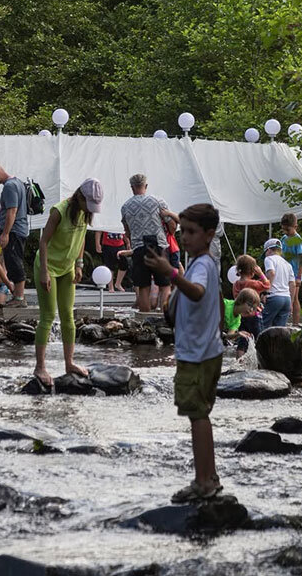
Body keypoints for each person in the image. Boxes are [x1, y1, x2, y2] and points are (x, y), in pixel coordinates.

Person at [146, 203, 224, 500]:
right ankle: (210, 476)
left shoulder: (202, 265)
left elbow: (198, 292)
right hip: (204, 349)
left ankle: (204, 481)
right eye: (183, 232)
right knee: (199, 415)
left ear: (208, 234)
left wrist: (171, 275)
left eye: (191, 232)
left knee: (198, 416)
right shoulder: (202, 262)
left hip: (198, 354)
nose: (186, 238)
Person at [34, 178, 104, 388]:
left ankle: (69, 363)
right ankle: (40, 367)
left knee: (68, 316)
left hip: (68, 267)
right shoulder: (60, 211)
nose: (89, 208)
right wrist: (44, 272)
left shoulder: (85, 212)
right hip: (49, 267)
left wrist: (80, 264)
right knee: (47, 316)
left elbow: (81, 238)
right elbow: (43, 241)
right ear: (80, 197)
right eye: (87, 203)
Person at [120, 173, 176, 313]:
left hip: (139, 248)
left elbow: (127, 232)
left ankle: (145, 322)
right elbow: (173, 226)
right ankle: (165, 320)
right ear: (146, 186)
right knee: (165, 285)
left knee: (143, 286)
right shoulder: (158, 202)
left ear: (132, 188)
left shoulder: (125, 207)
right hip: (159, 246)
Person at [0, 162, 29, 307]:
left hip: (14, 230)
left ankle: (19, 299)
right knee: (12, 262)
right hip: (19, 229)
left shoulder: (10, 186)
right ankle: (17, 297)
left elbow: (12, 211)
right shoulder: (18, 183)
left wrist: (5, 233)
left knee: (15, 264)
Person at [261, 238, 295, 330]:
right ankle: (278, 345)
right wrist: (291, 303)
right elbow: (292, 284)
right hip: (286, 299)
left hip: (274, 297)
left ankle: (260, 344)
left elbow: (271, 273)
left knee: (263, 326)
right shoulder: (288, 264)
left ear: (268, 250)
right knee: (280, 330)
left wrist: (266, 292)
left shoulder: (269, 259)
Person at [280, 212, 302, 325]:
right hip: (284, 273)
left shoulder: (298, 240)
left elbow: (301, 260)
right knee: (284, 297)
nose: (285, 232)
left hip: (294, 275)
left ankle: (295, 324)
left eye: (287, 230)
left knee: (294, 298)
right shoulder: (284, 238)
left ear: (295, 226)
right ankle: (282, 322)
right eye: (283, 229)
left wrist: (298, 277)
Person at [232, 288, 262, 359]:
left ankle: (239, 363)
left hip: (242, 316)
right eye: (251, 307)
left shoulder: (237, 283)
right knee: (259, 339)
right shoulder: (255, 284)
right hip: (254, 318)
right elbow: (266, 285)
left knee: (243, 340)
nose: (251, 310)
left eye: (253, 308)